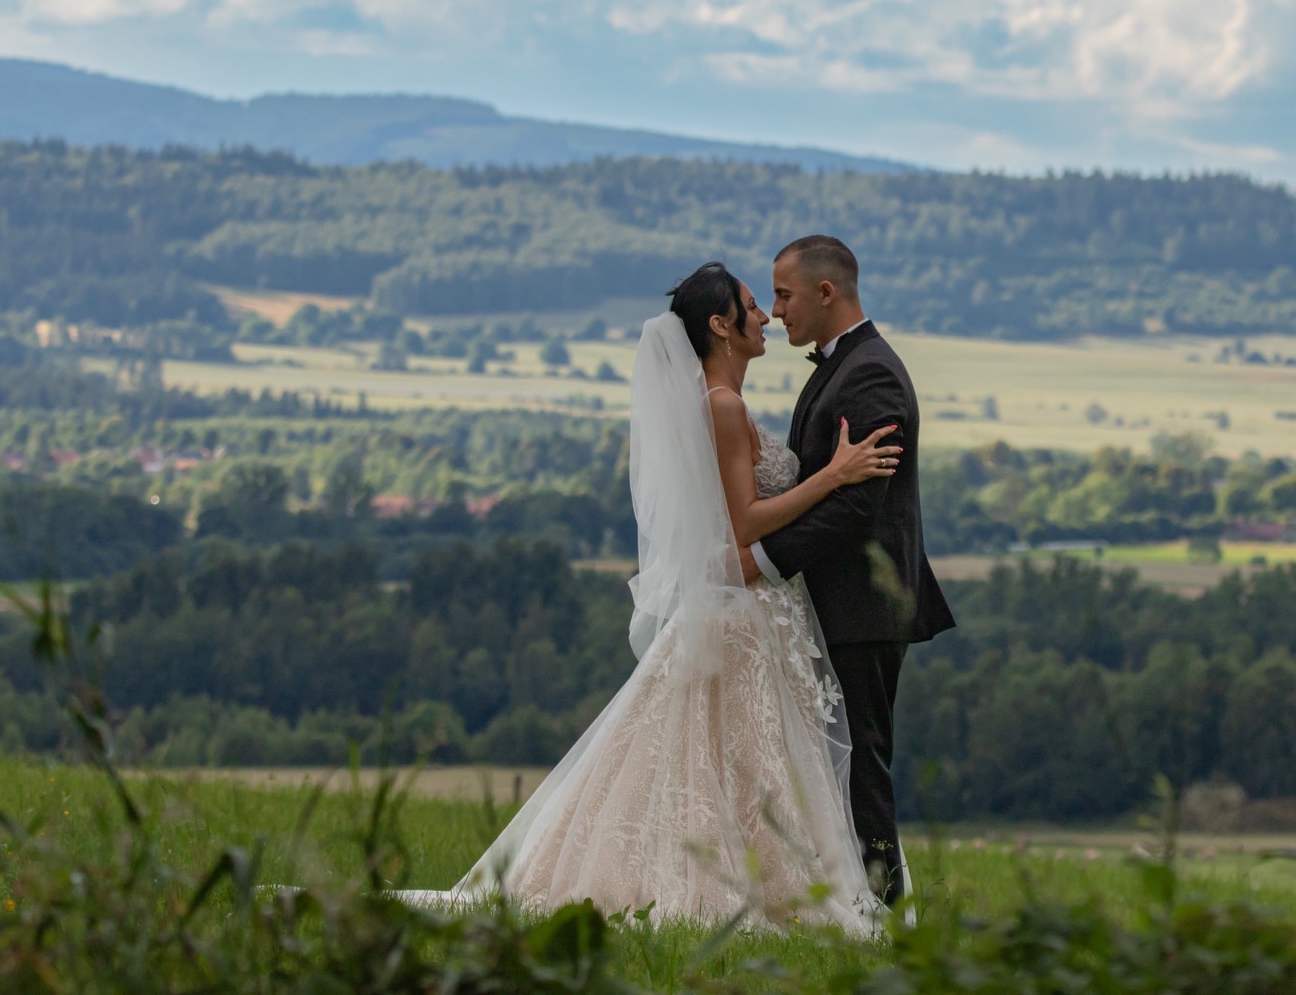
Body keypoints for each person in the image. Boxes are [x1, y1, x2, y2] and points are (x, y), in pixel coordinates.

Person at [399, 263, 900, 931]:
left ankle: (770, 881)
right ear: (721, 324)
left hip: (756, 609)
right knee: (738, 763)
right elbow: (747, 521)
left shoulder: (728, 403)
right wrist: (834, 476)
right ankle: (751, 889)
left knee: (742, 765)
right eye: (754, 305)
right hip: (745, 615)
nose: (767, 315)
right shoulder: (722, 406)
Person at [753, 235, 955, 905]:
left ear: (825, 291)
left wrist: (764, 561)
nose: (776, 309)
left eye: (783, 294)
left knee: (861, 760)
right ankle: (854, 900)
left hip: (864, 604)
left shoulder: (869, 372)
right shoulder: (844, 365)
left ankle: (883, 907)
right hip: (842, 602)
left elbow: (858, 505)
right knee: (840, 761)